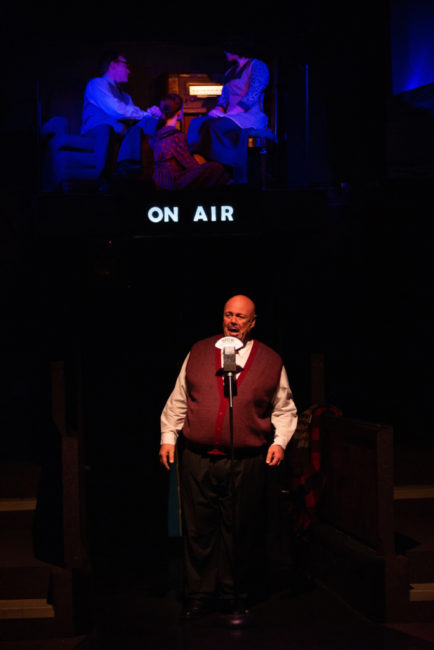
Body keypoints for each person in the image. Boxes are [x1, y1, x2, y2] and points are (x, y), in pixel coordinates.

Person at [159, 295, 298, 618]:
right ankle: (199, 594)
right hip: (197, 455)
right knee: (199, 528)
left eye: (240, 317)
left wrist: (279, 442)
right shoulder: (199, 351)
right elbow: (180, 397)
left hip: (246, 459)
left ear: (252, 322)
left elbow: (284, 407)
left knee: (239, 527)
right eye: (228, 315)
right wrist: (168, 437)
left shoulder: (270, 360)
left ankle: (233, 592)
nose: (233, 321)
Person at [187, 47, 270, 183]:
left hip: (249, 116)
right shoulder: (230, 72)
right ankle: (199, 164)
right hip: (231, 116)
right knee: (198, 123)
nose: (225, 53)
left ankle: (226, 170)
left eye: (227, 50)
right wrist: (217, 111)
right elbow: (223, 100)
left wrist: (228, 115)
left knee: (215, 127)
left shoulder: (257, 66)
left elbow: (251, 97)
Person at [81, 50, 162, 181]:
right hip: (97, 131)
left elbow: (132, 115)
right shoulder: (97, 84)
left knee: (143, 125)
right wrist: (144, 114)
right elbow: (116, 110)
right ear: (113, 65)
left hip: (119, 131)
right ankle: (103, 179)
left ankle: (131, 168)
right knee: (106, 128)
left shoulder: (125, 96)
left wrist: (151, 115)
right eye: (125, 66)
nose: (128, 71)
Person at [150, 94, 231, 189]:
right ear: (179, 113)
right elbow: (190, 164)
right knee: (216, 167)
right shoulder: (176, 136)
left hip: (159, 180)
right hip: (173, 181)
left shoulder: (157, 133)